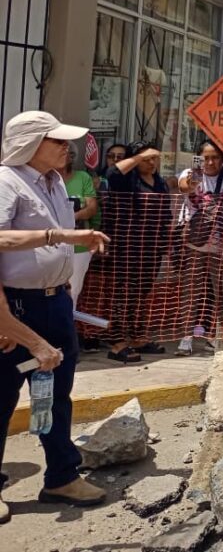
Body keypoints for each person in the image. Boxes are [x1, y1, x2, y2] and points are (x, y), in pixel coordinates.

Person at [0, 111, 112, 517]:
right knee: (1, 396)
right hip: (14, 307)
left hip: (55, 303)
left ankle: (62, 477)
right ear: (29, 144)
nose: (68, 148)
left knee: (56, 395)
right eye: (57, 141)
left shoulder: (55, 182)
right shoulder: (6, 181)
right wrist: (59, 235)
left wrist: (62, 287)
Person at [105, 142, 172, 363]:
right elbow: (112, 174)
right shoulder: (126, 181)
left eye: (154, 158)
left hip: (152, 249)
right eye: (146, 159)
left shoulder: (159, 183)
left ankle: (137, 338)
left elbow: (165, 215)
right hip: (127, 248)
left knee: (141, 295)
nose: (151, 163)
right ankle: (117, 343)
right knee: (123, 294)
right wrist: (137, 159)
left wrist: (165, 242)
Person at [175, 141, 223, 356]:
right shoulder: (190, 173)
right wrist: (194, 178)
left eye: (215, 157)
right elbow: (183, 187)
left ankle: (216, 337)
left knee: (221, 291)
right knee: (191, 289)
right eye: (205, 158)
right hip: (195, 243)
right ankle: (186, 337)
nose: (210, 162)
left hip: (222, 243)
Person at [62, 142, 98, 305]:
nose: (65, 157)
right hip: (47, 245)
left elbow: (92, 208)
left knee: (73, 292)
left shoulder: (83, 177)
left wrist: (71, 217)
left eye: (69, 153)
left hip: (79, 247)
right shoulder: (45, 178)